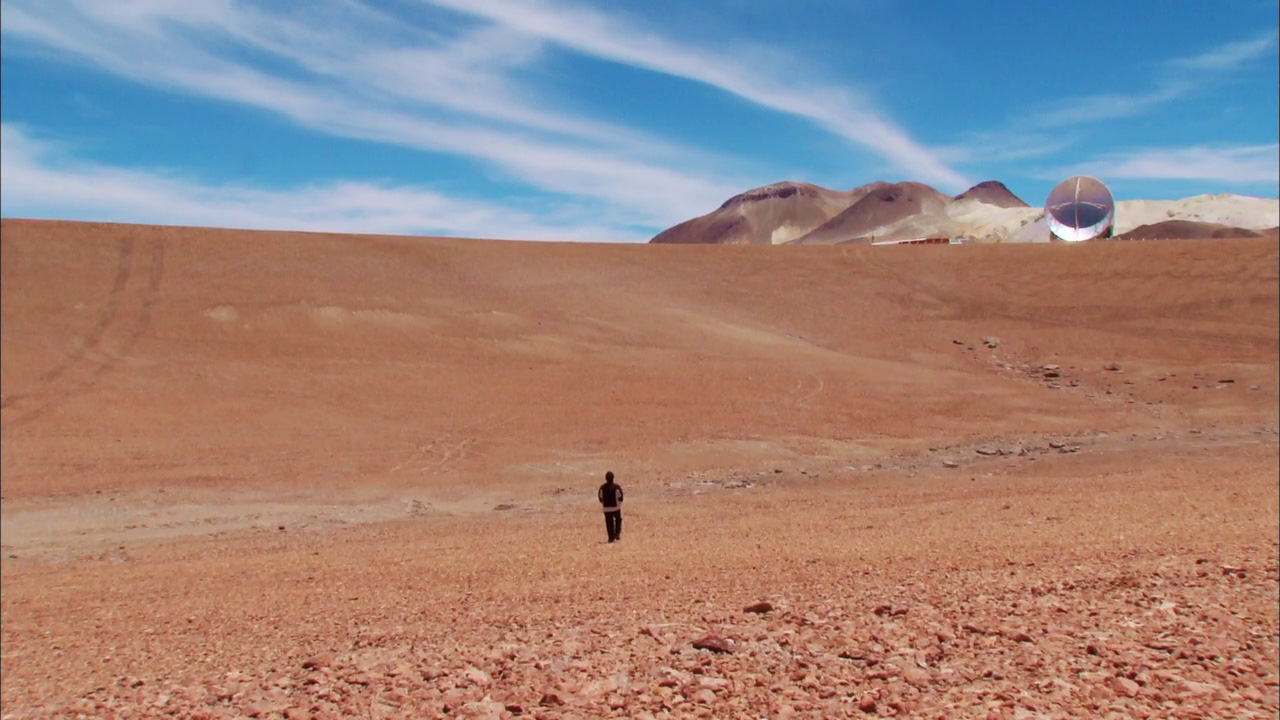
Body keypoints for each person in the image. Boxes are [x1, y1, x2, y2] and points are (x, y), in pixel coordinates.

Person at [597, 471, 624, 542]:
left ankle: (610, 537)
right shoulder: (616, 487)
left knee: (609, 523)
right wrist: (618, 504)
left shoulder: (602, 487)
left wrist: (604, 504)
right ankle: (617, 533)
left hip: (606, 508)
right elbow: (621, 498)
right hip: (616, 508)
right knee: (618, 520)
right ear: (613, 478)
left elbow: (600, 498)